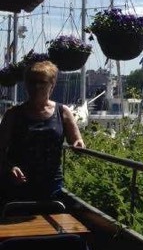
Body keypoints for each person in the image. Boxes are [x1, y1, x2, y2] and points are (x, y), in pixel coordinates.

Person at [0, 60, 85, 207]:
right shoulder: (13, 114)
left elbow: (77, 140)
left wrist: (79, 144)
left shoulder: (62, 112)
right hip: (18, 185)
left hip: (51, 184)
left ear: (52, 84)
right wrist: (9, 167)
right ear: (26, 84)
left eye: (42, 82)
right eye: (32, 82)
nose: (36, 86)